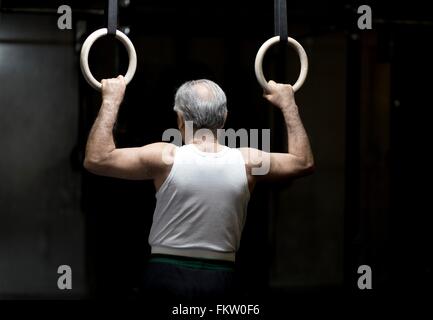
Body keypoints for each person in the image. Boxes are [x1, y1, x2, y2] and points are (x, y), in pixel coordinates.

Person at [84, 76, 314, 304]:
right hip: (220, 280)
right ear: (224, 118)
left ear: (180, 119)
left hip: (166, 277)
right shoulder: (248, 163)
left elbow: (96, 159)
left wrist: (111, 101)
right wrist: (288, 104)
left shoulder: (165, 158)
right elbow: (303, 162)